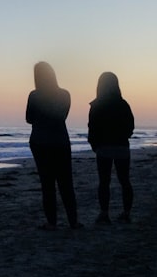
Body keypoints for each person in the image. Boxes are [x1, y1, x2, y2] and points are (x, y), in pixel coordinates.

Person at [26, 62, 81, 230]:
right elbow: (62, 116)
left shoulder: (34, 95)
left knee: (47, 183)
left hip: (40, 142)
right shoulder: (65, 95)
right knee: (66, 182)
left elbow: (28, 118)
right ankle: (73, 221)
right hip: (60, 141)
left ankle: (51, 222)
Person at [88, 72, 135, 224]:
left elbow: (92, 128)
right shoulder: (123, 104)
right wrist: (123, 136)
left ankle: (104, 213)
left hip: (104, 147)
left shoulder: (97, 105)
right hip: (121, 145)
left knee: (104, 182)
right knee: (124, 181)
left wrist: (94, 144)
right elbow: (130, 126)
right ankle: (126, 213)